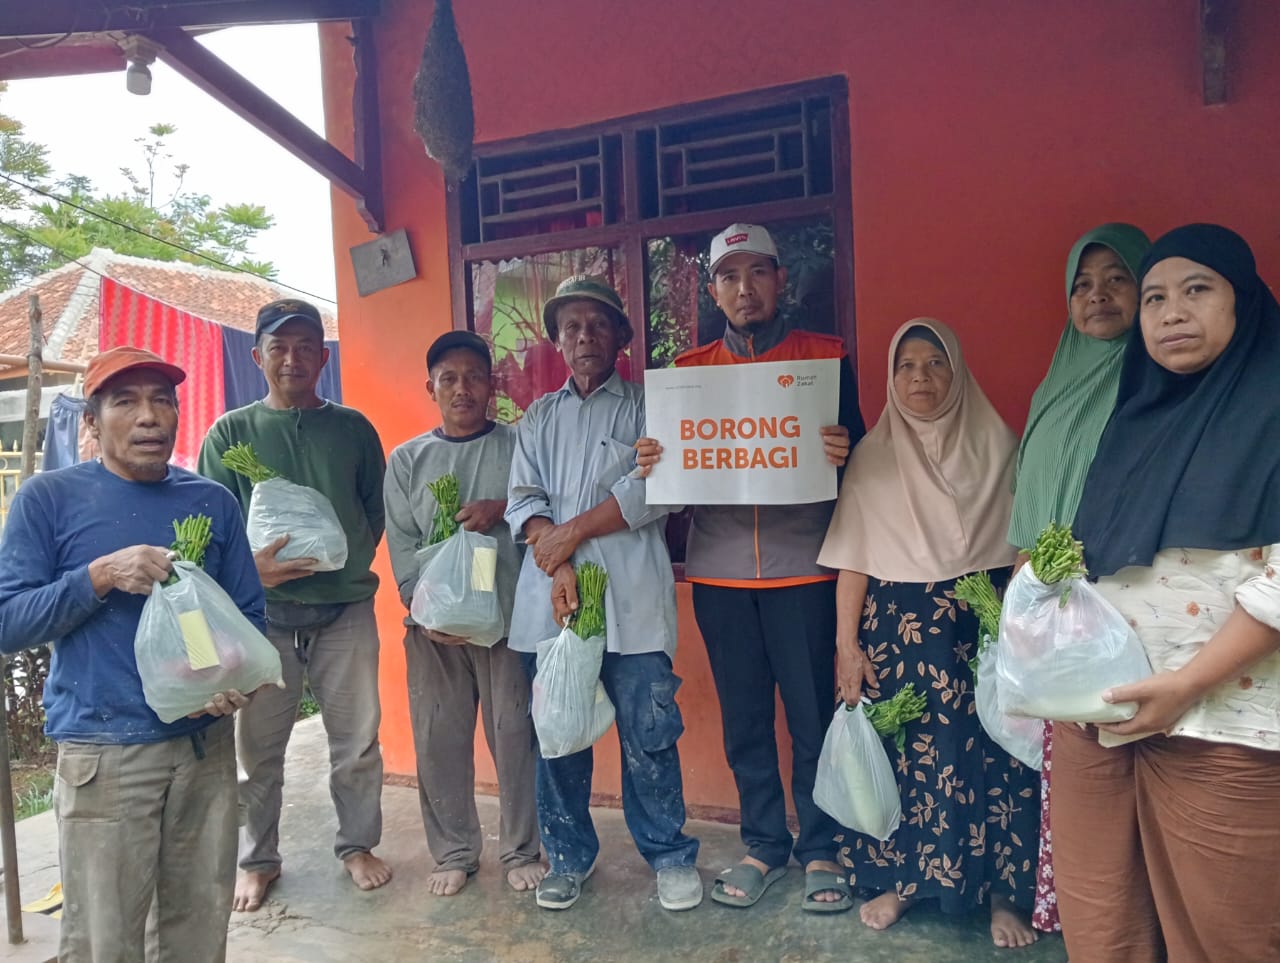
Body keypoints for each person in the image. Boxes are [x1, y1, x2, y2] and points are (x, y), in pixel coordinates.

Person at [0, 347, 265, 962]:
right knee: (104, 941)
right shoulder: (49, 499)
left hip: (204, 750)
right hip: (106, 752)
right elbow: (9, 622)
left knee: (198, 931)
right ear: (91, 422)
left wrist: (240, 682)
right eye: (126, 401)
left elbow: (249, 618)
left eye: (162, 400)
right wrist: (98, 576)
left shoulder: (212, 502)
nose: (149, 416)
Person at [1059, 224, 1280, 962]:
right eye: (1154, 297)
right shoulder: (1134, 420)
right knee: (1102, 923)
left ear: (1242, 302)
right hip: (1098, 719)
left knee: (1223, 935)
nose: (1170, 312)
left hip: (1222, 724)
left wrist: (1186, 684)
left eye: (1196, 290)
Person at [818, 319, 1040, 948]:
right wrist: (847, 647)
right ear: (891, 377)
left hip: (980, 626)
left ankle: (1003, 895)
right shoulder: (872, 456)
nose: (920, 377)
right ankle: (901, 883)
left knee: (997, 752)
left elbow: (1020, 547)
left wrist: (1019, 630)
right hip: (898, 630)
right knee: (906, 756)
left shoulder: (999, 445)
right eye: (906, 365)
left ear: (957, 371)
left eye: (934, 363)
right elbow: (853, 560)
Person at [669, 223, 864, 911]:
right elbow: (670, 485)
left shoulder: (825, 361)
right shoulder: (689, 377)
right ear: (713, 289)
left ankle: (819, 847)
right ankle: (762, 844)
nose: (743, 287)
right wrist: (654, 464)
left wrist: (847, 449)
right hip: (720, 575)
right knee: (745, 720)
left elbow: (864, 468)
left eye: (757, 272)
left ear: (780, 280)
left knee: (813, 718)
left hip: (805, 571)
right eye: (728, 275)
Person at [505, 275, 701, 912]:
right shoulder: (538, 416)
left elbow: (658, 491)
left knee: (650, 735)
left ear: (620, 336)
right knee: (560, 734)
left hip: (634, 607)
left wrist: (571, 533)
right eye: (571, 326)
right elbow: (523, 501)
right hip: (555, 607)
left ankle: (669, 856)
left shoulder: (650, 409)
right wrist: (556, 562)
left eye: (597, 324)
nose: (584, 336)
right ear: (558, 341)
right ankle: (567, 857)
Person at [197, 299, 391, 911]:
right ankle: (258, 860)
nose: (292, 358)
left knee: (356, 742)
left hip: (346, 611)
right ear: (257, 357)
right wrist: (253, 576)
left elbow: (373, 511)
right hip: (264, 619)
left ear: (323, 357)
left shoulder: (354, 428)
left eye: (306, 346)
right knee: (257, 751)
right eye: (279, 347)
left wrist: (344, 558)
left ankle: (357, 845)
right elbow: (212, 527)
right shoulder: (231, 434)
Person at [1006, 223, 1150, 934]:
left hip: (1127, 606)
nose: (1098, 296)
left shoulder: (1157, 379)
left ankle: (1140, 925)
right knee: (1073, 772)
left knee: (1138, 772)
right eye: (1083, 283)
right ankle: (1088, 922)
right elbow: (1033, 493)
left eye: (1117, 279)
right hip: (1053, 603)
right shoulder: (1053, 384)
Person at [383, 330, 544, 896]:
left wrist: (503, 509)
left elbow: (545, 509)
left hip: (509, 623)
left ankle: (523, 847)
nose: (462, 388)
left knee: (516, 736)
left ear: (491, 385)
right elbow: (402, 544)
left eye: (474, 376)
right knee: (439, 739)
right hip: (434, 632)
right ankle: (453, 851)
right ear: (430, 387)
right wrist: (422, 607)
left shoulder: (521, 444)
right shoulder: (407, 460)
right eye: (448, 378)